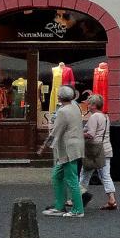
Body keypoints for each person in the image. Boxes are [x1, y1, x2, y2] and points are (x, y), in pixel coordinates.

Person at [39, 84, 85, 218]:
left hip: (68, 149)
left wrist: (44, 146)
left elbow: (56, 131)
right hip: (75, 147)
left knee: (71, 179)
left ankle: (78, 210)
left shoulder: (63, 111)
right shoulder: (75, 106)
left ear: (59, 97)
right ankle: (60, 206)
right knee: (57, 176)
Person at [79, 93, 117, 211]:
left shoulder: (94, 117)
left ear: (94, 105)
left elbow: (91, 134)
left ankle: (77, 198)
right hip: (106, 149)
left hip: (94, 150)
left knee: (85, 174)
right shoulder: (106, 117)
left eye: (89, 104)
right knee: (105, 175)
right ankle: (112, 199)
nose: (88, 106)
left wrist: (78, 134)